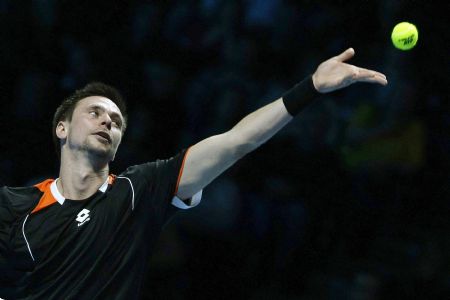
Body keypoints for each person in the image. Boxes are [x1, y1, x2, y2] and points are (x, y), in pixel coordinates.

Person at [0, 48, 387, 299]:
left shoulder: (140, 191)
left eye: (116, 121)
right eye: (95, 113)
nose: (108, 121)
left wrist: (311, 88)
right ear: (62, 128)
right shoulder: (15, 207)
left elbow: (236, 141)